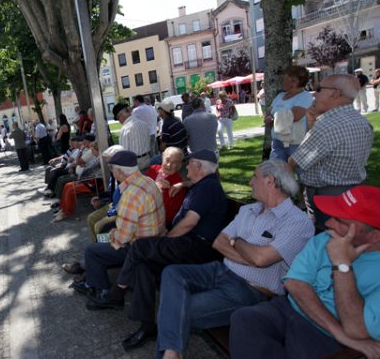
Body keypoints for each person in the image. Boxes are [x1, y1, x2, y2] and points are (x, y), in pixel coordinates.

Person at [155, 160, 314, 358]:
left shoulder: (297, 222)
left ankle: (170, 353)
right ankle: (173, 351)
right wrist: (249, 256)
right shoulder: (248, 210)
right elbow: (219, 243)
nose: (250, 182)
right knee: (172, 272)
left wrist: (236, 241)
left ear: (270, 181)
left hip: (249, 291)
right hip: (219, 271)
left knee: (173, 310)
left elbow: (260, 258)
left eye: (254, 177)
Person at [87, 150, 228, 350]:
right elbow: (192, 194)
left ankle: (117, 292)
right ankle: (147, 325)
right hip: (188, 243)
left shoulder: (208, 187)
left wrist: (165, 241)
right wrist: (183, 184)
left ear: (199, 167)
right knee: (144, 265)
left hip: (198, 247)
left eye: (188, 164)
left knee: (141, 246)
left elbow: (189, 223)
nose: (186, 168)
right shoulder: (204, 184)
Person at [230, 185, 380, 359]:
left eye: (340, 221)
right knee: (245, 318)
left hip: (324, 337)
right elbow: (294, 283)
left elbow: (357, 330)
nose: (328, 224)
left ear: (374, 236)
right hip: (294, 309)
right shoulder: (325, 238)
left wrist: (342, 264)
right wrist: (339, 333)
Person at [70, 151, 166, 302]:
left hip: (140, 247)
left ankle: (104, 294)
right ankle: (90, 279)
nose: (112, 172)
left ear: (120, 171)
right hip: (155, 239)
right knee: (100, 240)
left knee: (93, 248)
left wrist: (111, 235)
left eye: (112, 169)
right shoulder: (147, 181)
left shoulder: (130, 194)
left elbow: (122, 238)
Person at [289, 74, 373, 232]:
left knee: (325, 239)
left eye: (319, 89)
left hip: (327, 198)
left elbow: (295, 161)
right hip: (352, 193)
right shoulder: (362, 121)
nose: (314, 94)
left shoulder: (328, 125)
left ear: (335, 93)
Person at [265, 66, 313, 161]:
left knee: (300, 172)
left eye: (285, 79)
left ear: (294, 82)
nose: (282, 81)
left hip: (295, 143)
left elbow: (293, 116)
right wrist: (270, 117)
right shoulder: (280, 96)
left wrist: (272, 119)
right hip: (277, 141)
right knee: (275, 171)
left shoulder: (305, 97)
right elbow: (269, 112)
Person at [112, 103, 151, 170]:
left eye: (118, 119)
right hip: (147, 159)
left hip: (135, 163)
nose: (119, 121)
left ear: (121, 116)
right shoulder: (143, 124)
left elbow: (124, 153)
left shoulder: (125, 129)